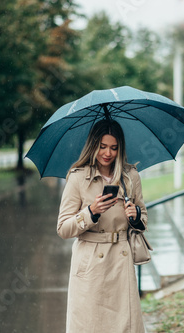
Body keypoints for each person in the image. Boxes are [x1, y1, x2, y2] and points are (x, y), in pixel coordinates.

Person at [57, 119, 147, 333]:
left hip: (120, 261)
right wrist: (90, 212)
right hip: (90, 265)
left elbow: (143, 217)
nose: (108, 153)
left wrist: (134, 216)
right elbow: (63, 228)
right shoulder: (78, 177)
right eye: (103, 146)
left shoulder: (130, 176)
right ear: (93, 145)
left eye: (114, 148)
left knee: (124, 326)